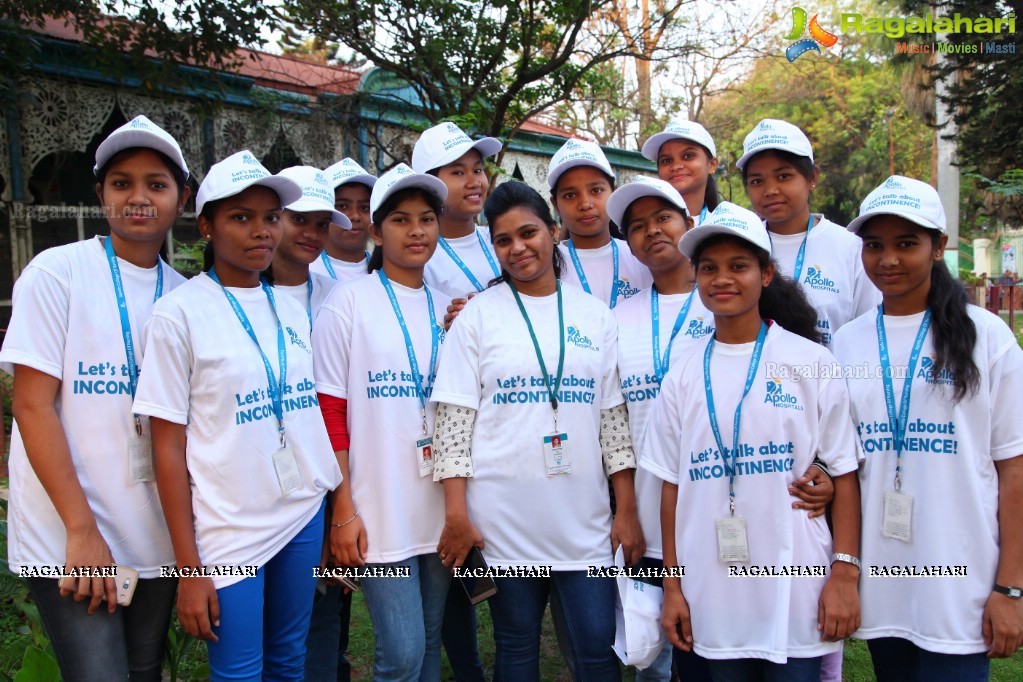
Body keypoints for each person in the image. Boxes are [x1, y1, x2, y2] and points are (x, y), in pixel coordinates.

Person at [606, 178, 835, 682]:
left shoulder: (810, 361)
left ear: (767, 273)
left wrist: (844, 566)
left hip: (791, 584)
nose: (721, 278)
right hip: (706, 575)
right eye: (709, 268)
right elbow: (670, 484)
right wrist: (672, 586)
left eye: (738, 266)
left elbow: (839, 462)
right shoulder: (683, 372)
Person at [133, 150, 343, 681]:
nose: (262, 232)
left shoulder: (290, 306)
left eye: (271, 218)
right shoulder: (179, 314)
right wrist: (190, 569)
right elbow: (166, 445)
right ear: (206, 226)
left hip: (300, 513)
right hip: (230, 526)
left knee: (288, 660)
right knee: (240, 671)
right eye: (241, 217)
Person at [0, 115, 189, 682]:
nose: (138, 197)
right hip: (70, 528)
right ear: (101, 193)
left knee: (142, 671)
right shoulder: (57, 274)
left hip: (153, 528)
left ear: (180, 199)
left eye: (156, 184)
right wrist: (79, 529)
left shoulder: (185, 297)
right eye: (121, 182)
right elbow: (31, 406)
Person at [431, 180, 644, 681]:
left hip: (583, 521)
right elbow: (454, 423)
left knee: (596, 646)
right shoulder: (478, 316)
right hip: (504, 521)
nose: (517, 248)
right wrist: (457, 514)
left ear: (553, 232)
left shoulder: (595, 316)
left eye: (528, 232)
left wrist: (627, 510)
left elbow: (613, 422)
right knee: (517, 645)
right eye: (503, 240)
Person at [833, 175, 1023, 679]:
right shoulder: (846, 344)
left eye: (906, 244)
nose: (888, 259)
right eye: (874, 245)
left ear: (938, 247)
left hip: (961, 583)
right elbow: (840, 464)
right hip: (883, 582)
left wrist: (1010, 588)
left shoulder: (989, 337)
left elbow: (1015, 472)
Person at [312, 163, 451, 682]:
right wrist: (343, 507)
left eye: (426, 219)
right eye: (399, 220)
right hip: (377, 506)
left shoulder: (449, 311)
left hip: (438, 503)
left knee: (430, 644)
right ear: (375, 231)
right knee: (404, 653)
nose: (416, 231)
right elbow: (330, 412)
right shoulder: (345, 304)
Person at [738, 118, 878, 347]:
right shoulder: (742, 245)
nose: (770, 190)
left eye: (784, 176)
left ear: (812, 177)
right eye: (756, 181)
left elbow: (869, 331)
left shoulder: (851, 248)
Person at [549, 138, 652, 308]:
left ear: (614, 193)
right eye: (570, 195)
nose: (585, 204)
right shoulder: (549, 265)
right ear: (555, 205)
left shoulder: (642, 256)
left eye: (596, 190)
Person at [414, 121, 503, 302]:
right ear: (429, 184)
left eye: (478, 170)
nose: (474, 182)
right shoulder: (420, 255)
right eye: (458, 173)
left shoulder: (500, 239)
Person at [273, 165, 348, 323]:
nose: (312, 234)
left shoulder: (339, 295)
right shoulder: (246, 292)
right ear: (274, 219)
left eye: (322, 225)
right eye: (299, 219)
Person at [640, 118, 720, 225]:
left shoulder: (725, 227)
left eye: (688, 156)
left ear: (712, 164)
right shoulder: (646, 229)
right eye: (667, 160)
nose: (676, 166)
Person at [313, 158, 377, 282]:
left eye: (364, 207)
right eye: (343, 206)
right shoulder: (307, 270)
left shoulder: (382, 271)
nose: (355, 216)